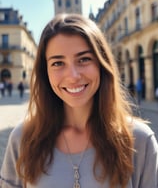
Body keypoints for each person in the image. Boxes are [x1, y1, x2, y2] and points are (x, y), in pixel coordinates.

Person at [0, 14, 158, 188]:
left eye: (84, 59)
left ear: (101, 64)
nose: (73, 76)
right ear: (45, 73)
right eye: (58, 63)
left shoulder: (140, 141)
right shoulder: (23, 139)